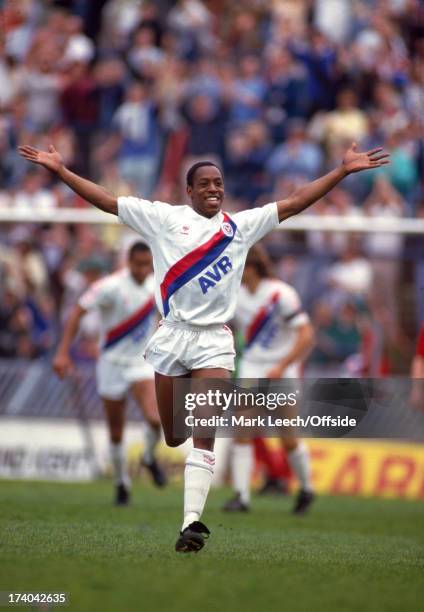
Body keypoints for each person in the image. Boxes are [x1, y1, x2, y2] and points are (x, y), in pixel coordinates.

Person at [18, 139, 390, 553]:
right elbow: (106, 201)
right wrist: (62, 171)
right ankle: (170, 475)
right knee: (174, 436)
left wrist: (340, 172)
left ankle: (191, 524)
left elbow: (295, 201)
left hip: (215, 340)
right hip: (172, 337)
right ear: (189, 190)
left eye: (219, 183)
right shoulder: (161, 219)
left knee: (204, 431)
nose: (215, 189)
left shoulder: (240, 227)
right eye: (206, 184)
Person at [52, 242, 166, 505]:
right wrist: (62, 351)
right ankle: (121, 483)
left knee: (155, 418)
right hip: (111, 364)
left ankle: (148, 457)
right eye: (137, 264)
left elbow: (163, 317)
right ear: (128, 262)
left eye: (146, 264)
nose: (142, 269)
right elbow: (78, 311)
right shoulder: (110, 286)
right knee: (116, 430)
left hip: (140, 364)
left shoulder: (156, 286)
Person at [224, 244, 316, 514]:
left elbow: (307, 335)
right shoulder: (235, 296)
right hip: (252, 367)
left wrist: (283, 364)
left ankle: (307, 488)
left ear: (251, 268)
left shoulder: (281, 294)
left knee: (288, 437)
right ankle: (241, 497)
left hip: (282, 371)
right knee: (242, 431)